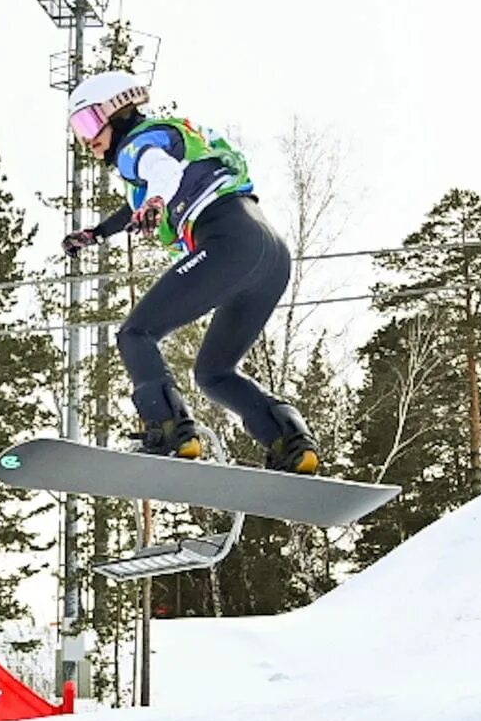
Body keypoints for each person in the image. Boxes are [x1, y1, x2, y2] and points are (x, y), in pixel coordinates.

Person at [59, 70, 319, 473]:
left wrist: (158, 201)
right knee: (214, 372)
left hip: (227, 244)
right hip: (270, 255)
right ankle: (291, 441)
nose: (87, 140)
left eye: (89, 123)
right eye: (78, 129)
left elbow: (162, 174)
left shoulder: (136, 147)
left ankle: (168, 430)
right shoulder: (173, 138)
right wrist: (97, 233)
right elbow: (141, 199)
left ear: (117, 110)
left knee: (135, 334)